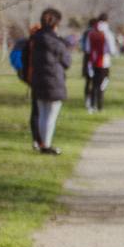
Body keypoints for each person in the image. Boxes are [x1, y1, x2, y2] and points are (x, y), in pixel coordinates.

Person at [30, 8, 72, 155]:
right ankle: (46, 145)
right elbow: (67, 62)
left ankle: (41, 142)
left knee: (41, 113)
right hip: (54, 81)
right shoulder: (57, 42)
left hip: (38, 79)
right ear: (56, 24)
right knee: (51, 115)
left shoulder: (35, 39)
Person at [84, 14, 118, 113]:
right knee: (102, 84)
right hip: (104, 62)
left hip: (93, 62)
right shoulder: (108, 33)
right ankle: (100, 106)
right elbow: (112, 50)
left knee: (94, 84)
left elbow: (87, 49)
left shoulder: (91, 32)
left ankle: (92, 105)